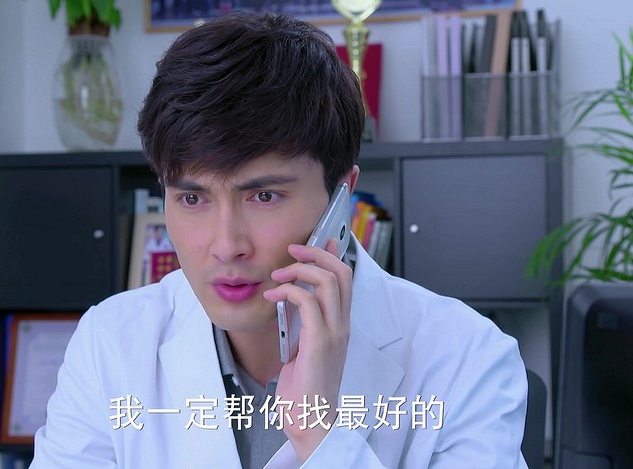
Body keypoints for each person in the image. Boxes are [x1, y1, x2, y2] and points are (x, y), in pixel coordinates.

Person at [32, 11, 528, 468]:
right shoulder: (110, 343)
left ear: (341, 198)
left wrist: (322, 436)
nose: (226, 245)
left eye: (264, 196)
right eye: (192, 198)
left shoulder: (467, 359)